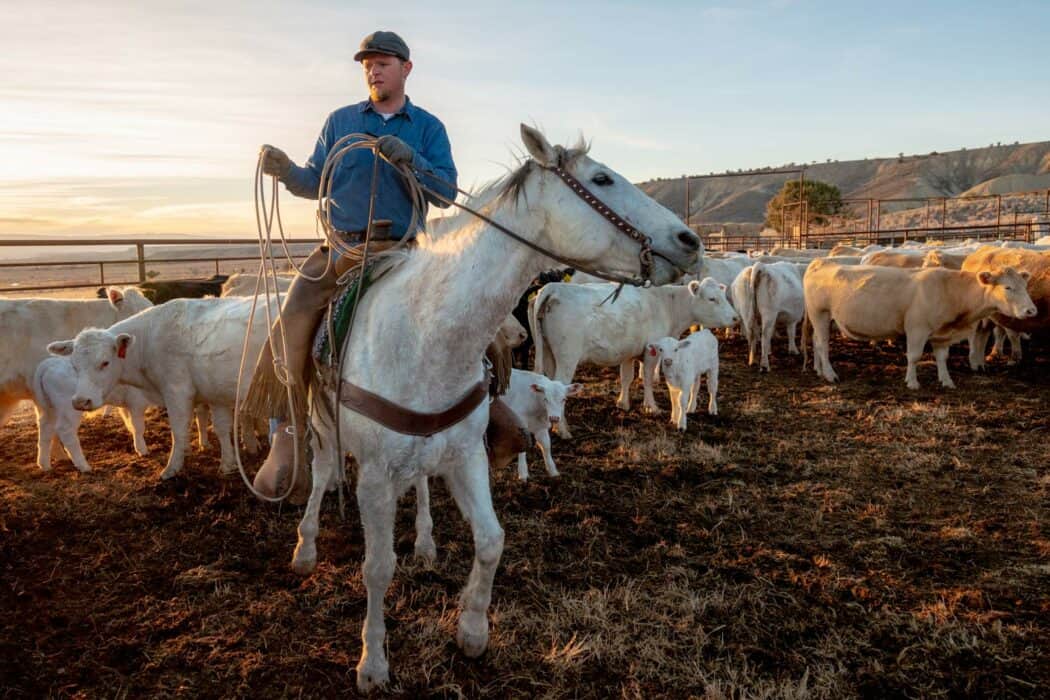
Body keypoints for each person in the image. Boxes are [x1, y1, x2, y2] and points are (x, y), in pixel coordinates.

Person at [245, 30, 527, 500]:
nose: (373, 71)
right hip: (343, 251)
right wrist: (285, 169)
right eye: (367, 65)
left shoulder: (428, 127)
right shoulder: (339, 122)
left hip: (405, 252)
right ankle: (289, 427)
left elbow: (443, 194)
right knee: (290, 323)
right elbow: (315, 181)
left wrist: (410, 159)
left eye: (383, 63)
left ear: (405, 69)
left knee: (487, 327)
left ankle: (490, 409)